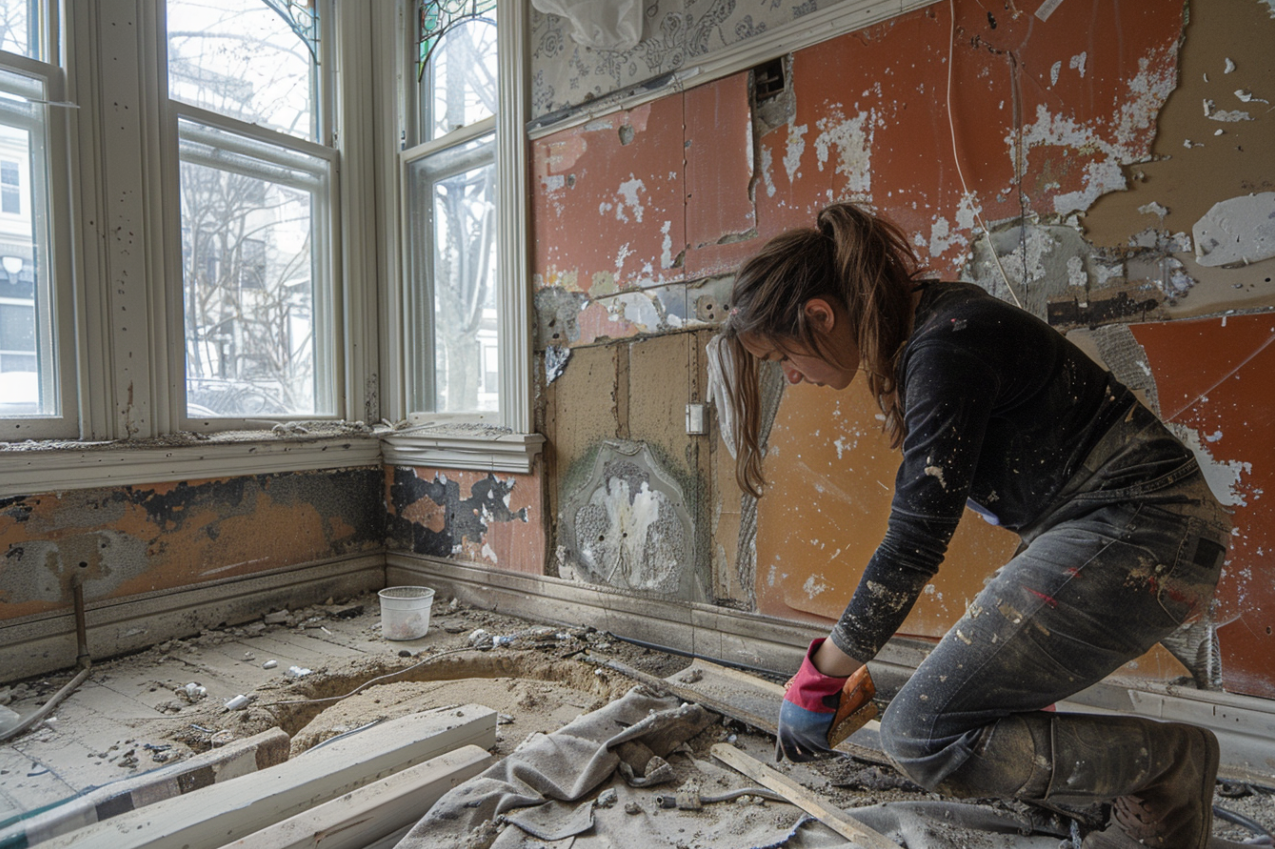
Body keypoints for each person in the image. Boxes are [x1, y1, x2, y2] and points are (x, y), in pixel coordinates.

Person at [717, 202, 1232, 849]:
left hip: (1145, 532)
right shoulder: (929, 330)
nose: (790, 375)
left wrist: (821, 671)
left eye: (781, 356)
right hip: (1133, 529)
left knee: (918, 733)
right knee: (954, 708)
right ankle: (1130, 808)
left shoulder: (944, 344)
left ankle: (1168, 762)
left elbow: (913, 541)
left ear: (819, 315)